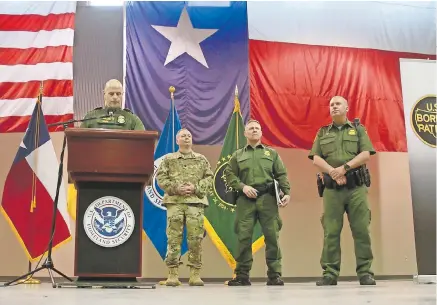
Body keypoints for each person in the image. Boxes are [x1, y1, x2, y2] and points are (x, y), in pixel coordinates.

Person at [308, 96, 376, 286]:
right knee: (331, 231)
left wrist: (344, 168)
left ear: (347, 107)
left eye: (338, 104)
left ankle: (365, 272)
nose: (334, 107)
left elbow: (365, 154)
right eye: (331, 105)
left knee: (361, 230)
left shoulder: (358, 130)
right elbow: (315, 158)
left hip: (356, 188)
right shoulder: (323, 132)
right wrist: (333, 172)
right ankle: (330, 273)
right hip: (332, 190)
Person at [224, 119, 291, 286]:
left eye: (257, 128)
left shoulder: (272, 154)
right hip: (245, 200)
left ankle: (274, 275)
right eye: (250, 128)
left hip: (268, 199)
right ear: (245, 133)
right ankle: (242, 275)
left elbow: (281, 174)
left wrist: (287, 193)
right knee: (243, 237)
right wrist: (243, 186)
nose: (254, 130)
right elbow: (229, 175)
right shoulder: (238, 155)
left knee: (272, 237)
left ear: (261, 133)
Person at [156, 128, 213, 287]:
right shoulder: (169, 159)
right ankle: (172, 274)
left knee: (195, 239)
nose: (186, 138)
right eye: (183, 136)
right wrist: (176, 188)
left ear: (192, 139)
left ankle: (195, 274)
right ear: (177, 141)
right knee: (173, 238)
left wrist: (196, 188)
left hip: (195, 203)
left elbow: (209, 178)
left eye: (188, 135)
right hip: (175, 202)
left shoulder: (201, 159)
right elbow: (160, 178)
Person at [80, 79, 145, 130]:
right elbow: (79, 141)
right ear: (104, 94)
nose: (115, 97)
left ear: (122, 95)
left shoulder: (132, 119)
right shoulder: (91, 117)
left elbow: (143, 141)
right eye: (111, 94)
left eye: (118, 94)